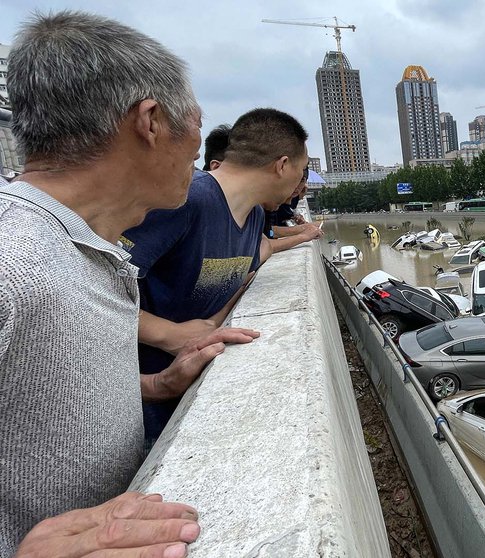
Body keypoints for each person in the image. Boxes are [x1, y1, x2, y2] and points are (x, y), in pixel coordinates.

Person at [1, 11, 259, 556]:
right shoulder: (14, 263)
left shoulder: (89, 248)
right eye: (195, 126)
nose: (200, 149)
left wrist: (157, 385)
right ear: (150, 121)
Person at [122, 108, 319, 442]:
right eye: (300, 173)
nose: (298, 188)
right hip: (135, 403)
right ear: (282, 166)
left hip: (184, 394)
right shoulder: (186, 200)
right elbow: (88, 288)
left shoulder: (255, 215)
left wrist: (213, 323)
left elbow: (258, 256)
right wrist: (170, 334)